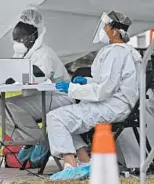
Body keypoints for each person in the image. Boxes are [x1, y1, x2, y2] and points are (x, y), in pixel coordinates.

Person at [48, 11, 141, 180]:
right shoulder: (125, 52)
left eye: (105, 26)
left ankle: (70, 166)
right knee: (67, 118)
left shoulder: (116, 53)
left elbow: (103, 91)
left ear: (114, 31)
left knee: (55, 117)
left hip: (111, 107)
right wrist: (88, 81)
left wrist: (72, 89)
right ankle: (85, 162)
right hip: (116, 104)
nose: (102, 29)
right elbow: (110, 84)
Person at [0, 9, 75, 166]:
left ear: (32, 37)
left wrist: (17, 76)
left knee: (10, 106)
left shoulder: (44, 53)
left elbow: (39, 77)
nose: (17, 43)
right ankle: (27, 140)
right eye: (15, 39)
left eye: (20, 39)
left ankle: (41, 141)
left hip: (58, 97)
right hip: (38, 97)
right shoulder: (23, 53)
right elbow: (14, 72)